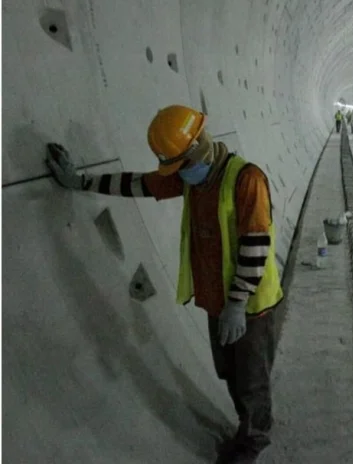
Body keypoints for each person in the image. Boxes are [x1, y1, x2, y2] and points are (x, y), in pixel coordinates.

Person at [44, 105, 284, 464]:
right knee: (230, 373)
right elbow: (138, 184)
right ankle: (247, 425)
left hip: (251, 308)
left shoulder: (245, 180)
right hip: (218, 303)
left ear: (199, 148)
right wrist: (81, 181)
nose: (179, 176)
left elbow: (256, 246)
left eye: (181, 166)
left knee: (251, 380)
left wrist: (237, 304)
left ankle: (254, 440)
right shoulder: (193, 176)